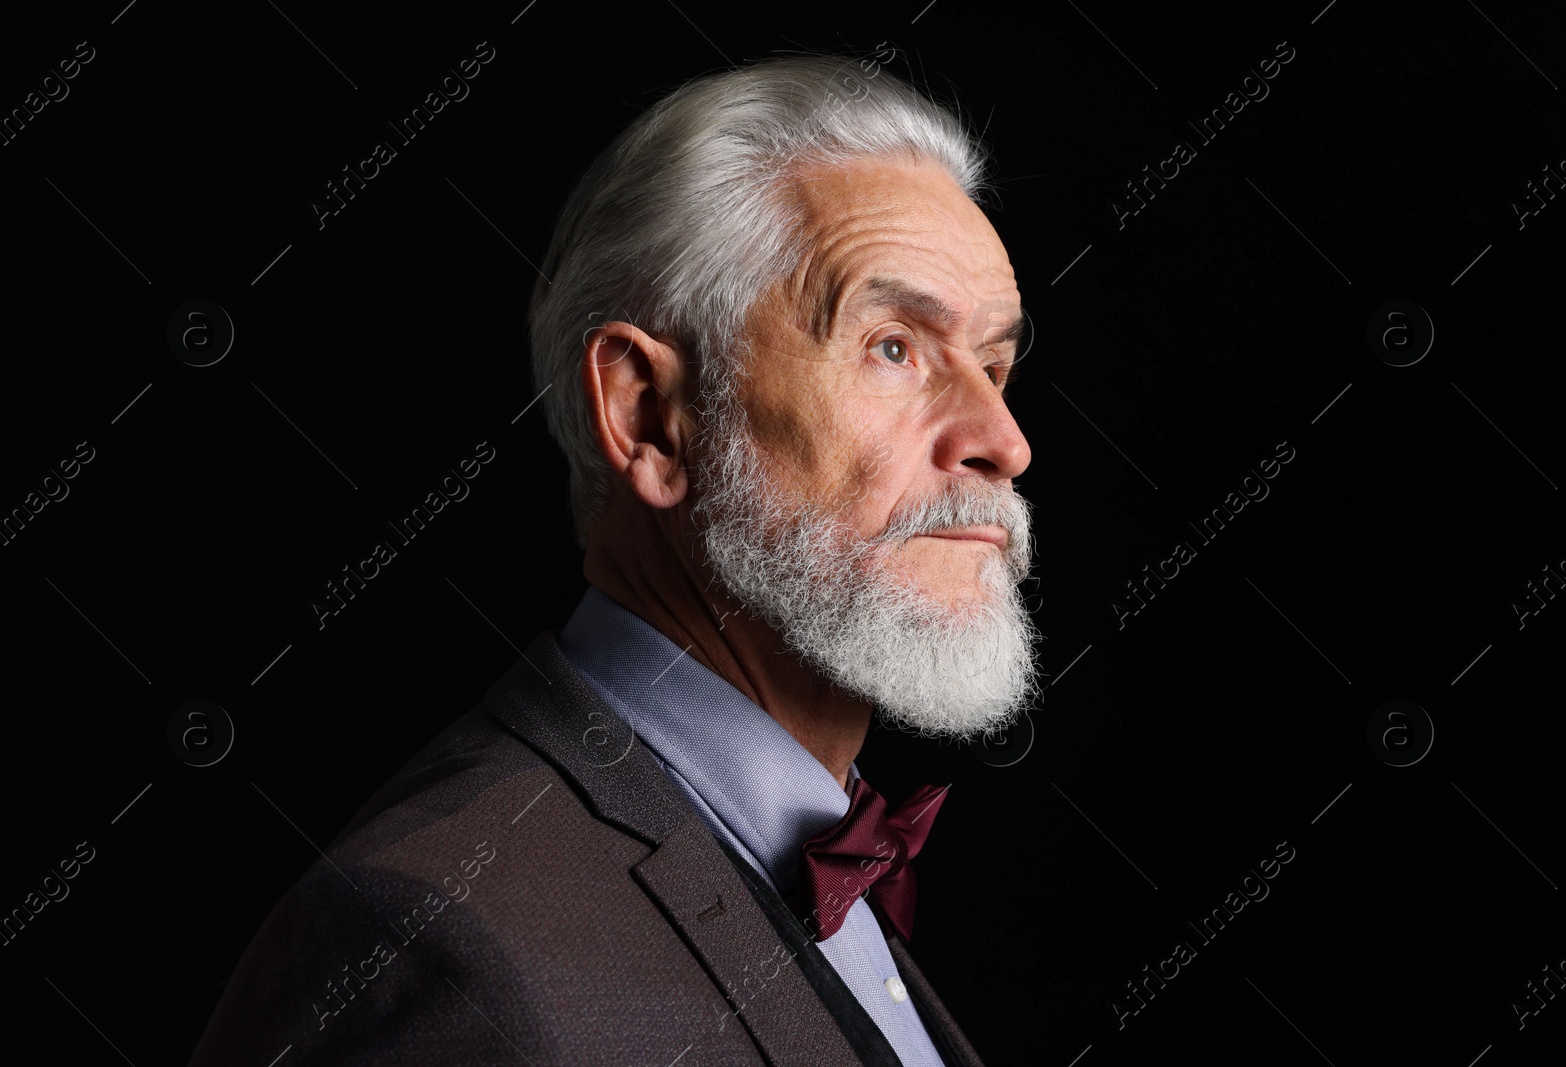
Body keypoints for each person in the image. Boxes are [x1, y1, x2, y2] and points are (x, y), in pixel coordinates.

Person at [190, 50, 1042, 1066]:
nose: (1002, 438)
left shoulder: (823, 859)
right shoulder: (438, 945)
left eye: (992, 363)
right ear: (648, 415)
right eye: (894, 346)